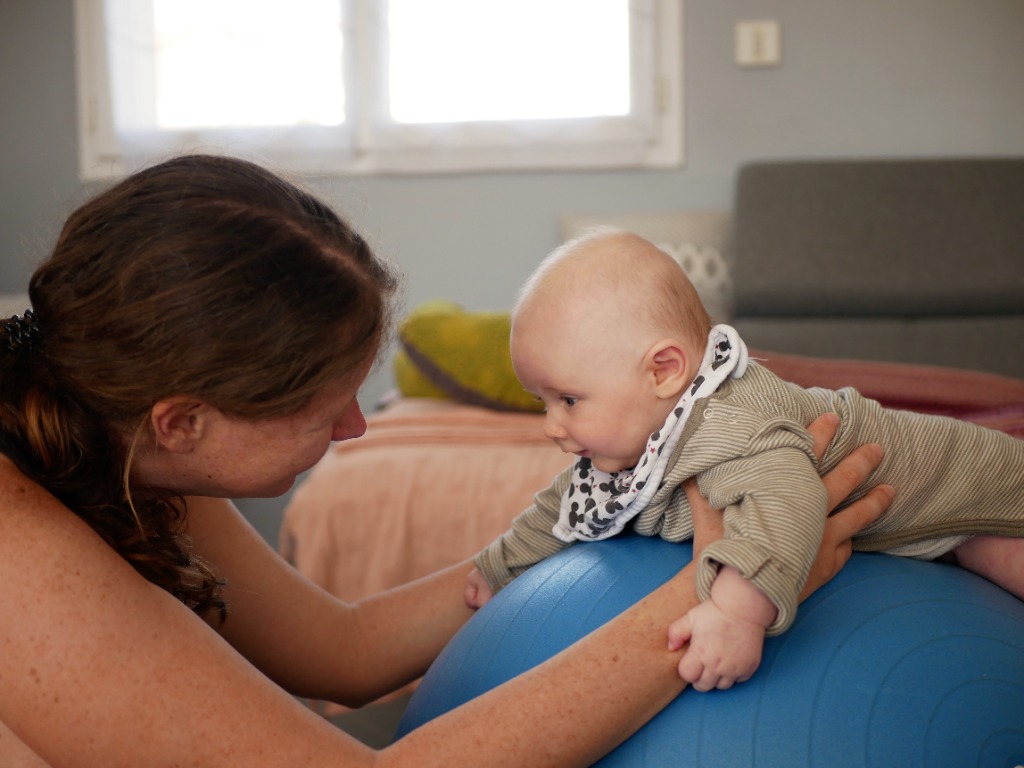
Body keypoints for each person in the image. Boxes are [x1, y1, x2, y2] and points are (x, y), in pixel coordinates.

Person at [0, 155, 892, 767]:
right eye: (321, 409)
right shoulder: (16, 545)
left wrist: (562, 533)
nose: (356, 429)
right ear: (183, 420)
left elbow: (341, 650)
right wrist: (720, 586)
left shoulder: (128, 444)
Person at [467, 229, 1024, 694]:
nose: (551, 425)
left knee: (995, 550)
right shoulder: (633, 439)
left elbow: (787, 498)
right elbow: (566, 505)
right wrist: (501, 565)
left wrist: (736, 612)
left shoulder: (730, 420)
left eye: (567, 400)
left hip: (973, 490)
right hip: (923, 538)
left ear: (663, 370)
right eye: (542, 402)